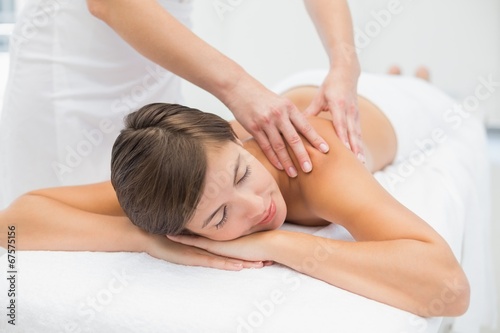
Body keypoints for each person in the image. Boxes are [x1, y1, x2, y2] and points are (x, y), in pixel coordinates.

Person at [0, 69, 470, 317]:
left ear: (236, 134)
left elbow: (450, 289)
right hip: (300, 88)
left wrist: (276, 242)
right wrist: (149, 241)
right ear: (186, 230)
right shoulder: (178, 179)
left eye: (244, 173)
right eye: (220, 219)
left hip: (401, 109)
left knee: (413, 87)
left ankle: (412, 80)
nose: (258, 206)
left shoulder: (315, 162)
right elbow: (13, 223)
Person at [0, 0, 363, 209]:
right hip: (70, 89)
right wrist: (238, 87)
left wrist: (345, 61)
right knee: (58, 240)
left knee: (179, 211)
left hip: (159, 81)